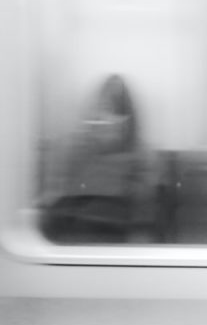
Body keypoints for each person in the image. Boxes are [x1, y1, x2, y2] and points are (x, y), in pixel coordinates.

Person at [40, 74, 153, 243]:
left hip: (117, 238)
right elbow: (59, 199)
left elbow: (143, 210)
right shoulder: (74, 148)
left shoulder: (140, 156)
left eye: (116, 111)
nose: (107, 119)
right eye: (103, 109)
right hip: (75, 235)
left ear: (127, 118)